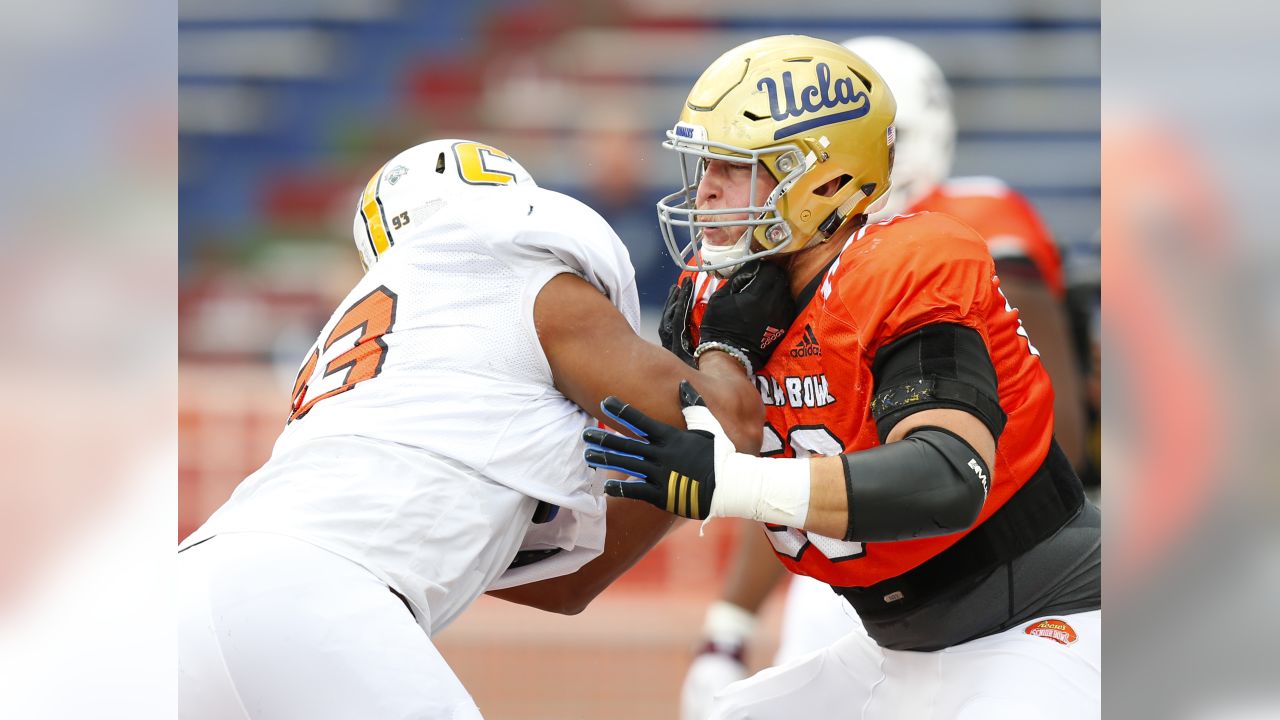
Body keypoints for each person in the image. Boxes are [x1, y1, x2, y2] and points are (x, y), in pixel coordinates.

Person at [176, 138, 796, 719]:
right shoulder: (508, 266)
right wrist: (727, 344)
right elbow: (721, 421)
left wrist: (679, 474)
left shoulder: (364, 344)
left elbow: (565, 583)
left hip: (191, 590)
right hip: (318, 599)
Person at [587, 35, 1100, 718]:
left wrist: (731, 481)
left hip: (1037, 625)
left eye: (733, 165)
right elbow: (681, 466)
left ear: (822, 182)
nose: (704, 185)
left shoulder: (910, 265)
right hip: (891, 645)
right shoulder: (725, 301)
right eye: (704, 160)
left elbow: (947, 476)